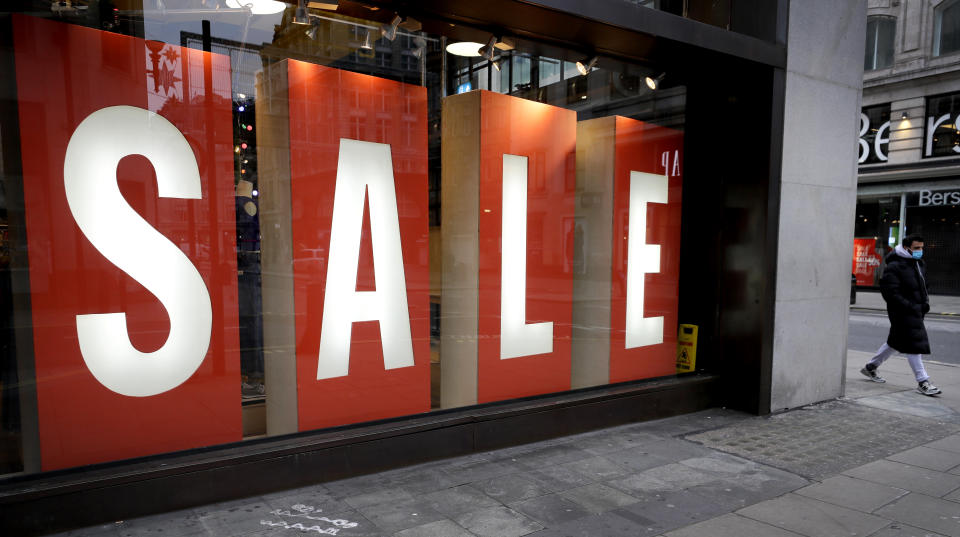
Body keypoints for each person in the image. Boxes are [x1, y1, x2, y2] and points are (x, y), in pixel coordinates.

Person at [861, 234, 941, 395]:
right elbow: (890, 293)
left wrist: (924, 303)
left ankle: (870, 367)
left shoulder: (918, 263)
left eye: (921, 248)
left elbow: (924, 285)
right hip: (902, 311)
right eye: (916, 248)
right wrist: (910, 306)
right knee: (914, 342)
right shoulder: (894, 266)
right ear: (906, 248)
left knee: (895, 342)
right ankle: (922, 381)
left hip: (916, 309)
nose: (920, 251)